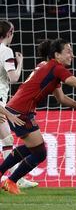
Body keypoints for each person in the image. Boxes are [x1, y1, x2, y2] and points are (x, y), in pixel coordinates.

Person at [0, 38, 76, 194]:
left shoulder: (49, 67)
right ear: (56, 54)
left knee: (35, 149)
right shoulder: (56, 68)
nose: (72, 55)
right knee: (39, 152)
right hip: (20, 111)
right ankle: (11, 180)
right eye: (68, 51)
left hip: (20, 109)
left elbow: (61, 99)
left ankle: (9, 179)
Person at [0, 20, 38, 189]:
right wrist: (20, 61)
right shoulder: (6, 51)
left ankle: (14, 178)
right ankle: (16, 179)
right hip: (0, 100)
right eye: (12, 32)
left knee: (7, 138)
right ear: (9, 33)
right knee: (7, 138)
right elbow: (13, 78)